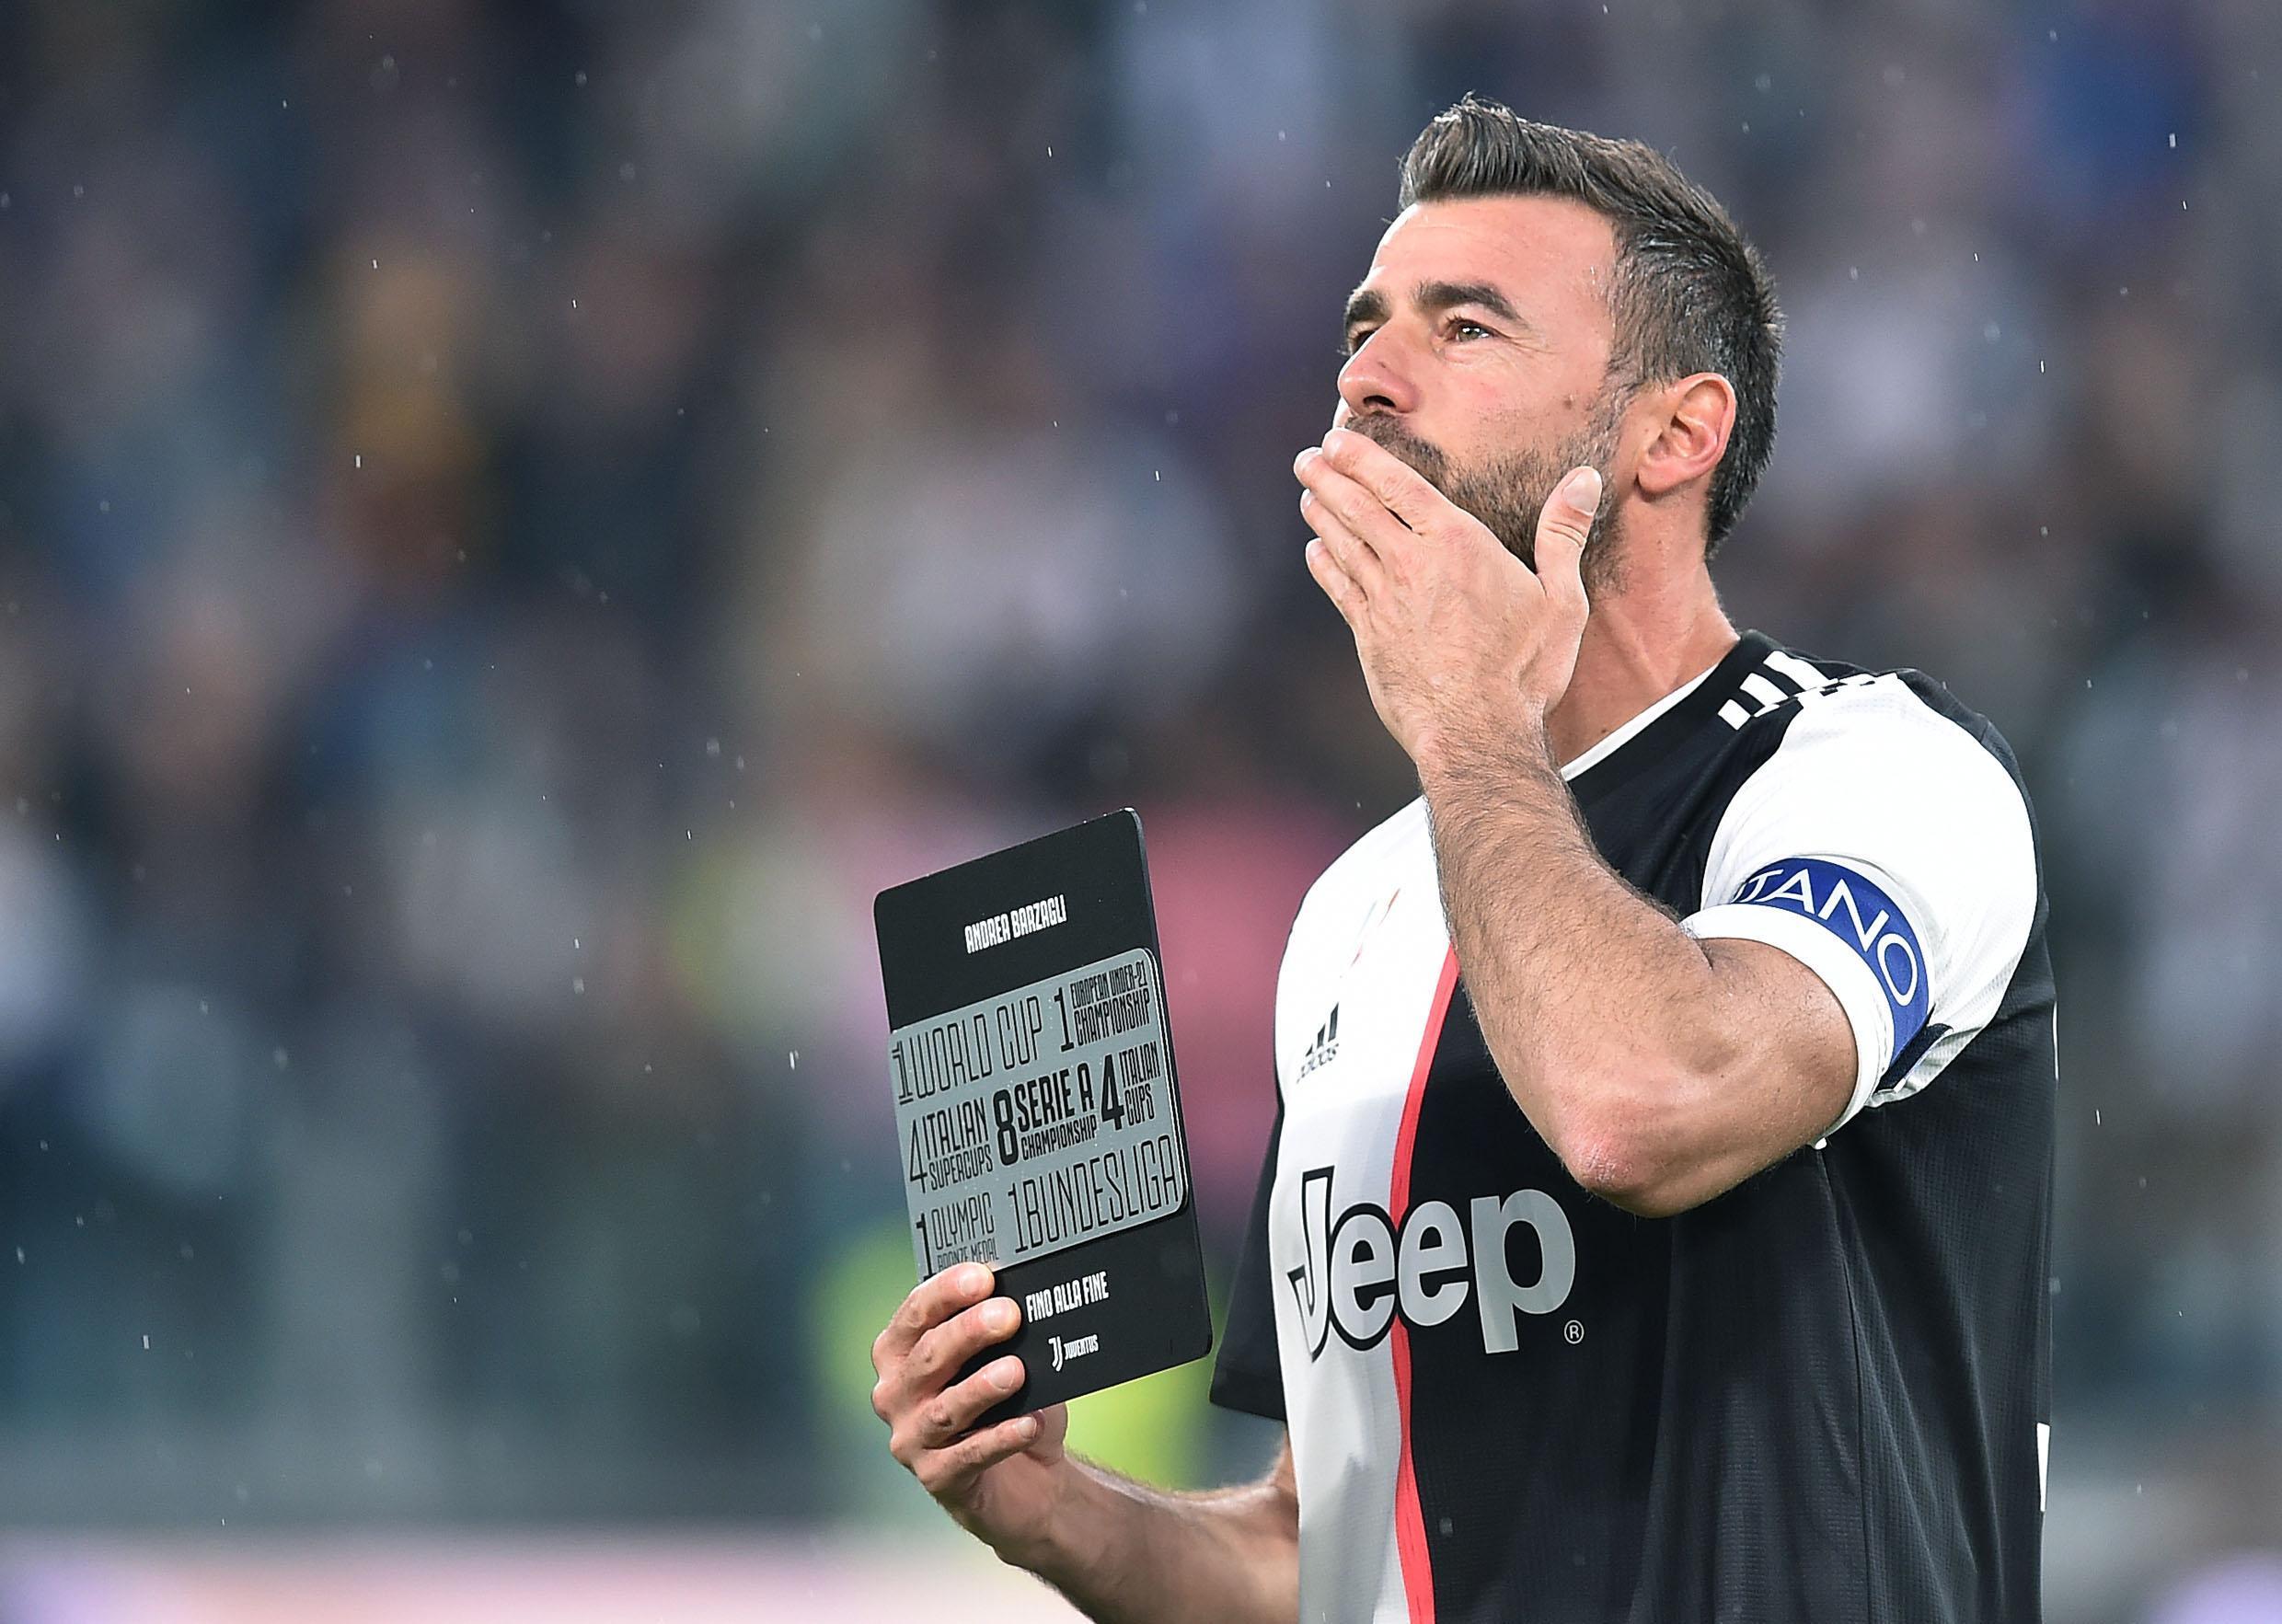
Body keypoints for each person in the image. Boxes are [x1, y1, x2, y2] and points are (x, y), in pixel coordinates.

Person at [869, 96, 2053, 1624]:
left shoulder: (1872, 773)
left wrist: (1470, 720)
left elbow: (1643, 1108)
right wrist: (1050, 1508)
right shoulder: (1353, 913)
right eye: (1364, 329)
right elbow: (1323, 1546)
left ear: (1673, 433)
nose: (1365, 376)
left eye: (1466, 326)